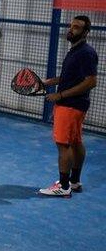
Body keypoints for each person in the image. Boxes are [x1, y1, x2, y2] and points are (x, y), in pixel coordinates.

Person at [39, 15, 98, 197]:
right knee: (75, 141)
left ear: (86, 32)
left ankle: (64, 187)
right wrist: (49, 81)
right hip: (75, 105)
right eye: (71, 26)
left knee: (63, 145)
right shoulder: (75, 50)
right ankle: (74, 182)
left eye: (77, 27)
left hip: (71, 105)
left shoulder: (86, 53)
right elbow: (71, 78)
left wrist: (60, 95)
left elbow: (90, 82)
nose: (71, 29)